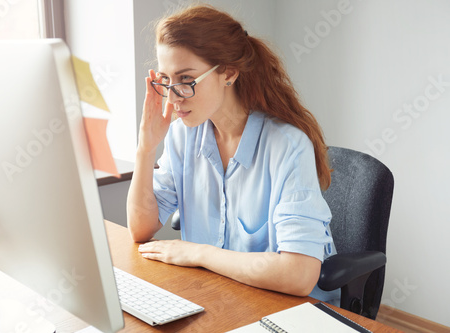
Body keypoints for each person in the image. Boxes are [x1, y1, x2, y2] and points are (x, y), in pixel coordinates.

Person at [126, 4, 338, 302]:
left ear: (228, 73)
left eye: (186, 80)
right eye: (166, 81)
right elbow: (140, 228)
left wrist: (199, 254)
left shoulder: (286, 146)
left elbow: (299, 275)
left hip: (287, 309)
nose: (172, 97)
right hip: (220, 297)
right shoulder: (182, 134)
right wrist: (145, 149)